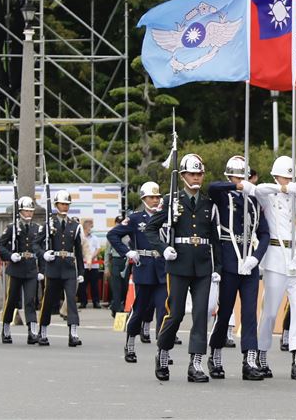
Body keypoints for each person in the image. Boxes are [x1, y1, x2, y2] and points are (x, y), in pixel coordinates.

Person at [144, 153, 222, 383]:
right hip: (178, 263)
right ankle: (163, 351)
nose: (196, 178)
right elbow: (151, 228)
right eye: (192, 174)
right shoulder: (170, 201)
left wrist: (217, 266)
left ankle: (195, 363)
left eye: (199, 174)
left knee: (201, 315)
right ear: (183, 175)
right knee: (175, 313)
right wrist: (163, 248)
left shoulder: (209, 204)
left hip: (203, 266)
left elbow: (215, 238)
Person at [252, 155, 296, 380]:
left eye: (291, 176)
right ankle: (261, 355)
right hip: (275, 258)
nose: (288, 179)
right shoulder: (269, 198)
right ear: (276, 176)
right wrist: (281, 187)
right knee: (270, 312)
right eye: (284, 176)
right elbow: (258, 189)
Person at [207, 156, 270, 381]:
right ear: (230, 177)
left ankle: (249, 360)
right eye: (236, 177)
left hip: (248, 263)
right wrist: (237, 186)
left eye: (243, 177)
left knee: (250, 313)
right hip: (228, 261)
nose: (240, 180)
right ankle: (215, 355)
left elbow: (264, 234)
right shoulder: (223, 197)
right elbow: (211, 186)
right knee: (224, 313)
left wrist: (256, 258)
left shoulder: (253, 202)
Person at [107, 182, 167, 364]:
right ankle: (130, 343)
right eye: (151, 197)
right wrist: (128, 251)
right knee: (139, 310)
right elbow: (113, 235)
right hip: (144, 267)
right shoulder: (135, 218)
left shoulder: (166, 217)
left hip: (162, 268)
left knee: (164, 311)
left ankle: (163, 351)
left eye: (157, 197)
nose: (155, 200)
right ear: (144, 199)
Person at [38, 190, 85, 347]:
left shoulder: (74, 225)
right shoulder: (49, 223)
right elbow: (36, 244)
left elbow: (78, 250)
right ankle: (42, 331)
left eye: (67, 204)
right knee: (49, 300)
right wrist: (44, 254)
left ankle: (73, 333)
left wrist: (81, 271)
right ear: (56, 204)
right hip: (53, 266)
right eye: (62, 204)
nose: (65, 207)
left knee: (71, 299)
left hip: (69, 268)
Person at [0, 196, 43, 345]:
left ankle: (32, 330)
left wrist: (41, 268)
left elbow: (42, 248)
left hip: (30, 268)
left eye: (31, 210)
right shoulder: (12, 227)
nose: (29, 213)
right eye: (26, 210)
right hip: (16, 268)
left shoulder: (37, 228)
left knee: (30, 300)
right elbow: (0, 245)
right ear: (20, 210)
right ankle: (5, 328)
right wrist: (10, 255)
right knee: (11, 300)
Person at [79, 219, 102, 309]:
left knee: (94, 285)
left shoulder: (94, 238)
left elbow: (98, 249)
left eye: (91, 226)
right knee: (82, 285)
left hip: (93, 265)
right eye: (89, 225)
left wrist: (91, 257)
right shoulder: (80, 238)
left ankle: (96, 302)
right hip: (83, 265)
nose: (90, 227)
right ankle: (83, 302)